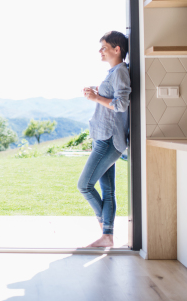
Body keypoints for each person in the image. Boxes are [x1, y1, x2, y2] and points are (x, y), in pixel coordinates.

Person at [78, 31, 131, 248]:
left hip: (109, 139)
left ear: (116, 49)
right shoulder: (114, 72)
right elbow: (114, 97)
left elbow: (121, 104)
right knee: (107, 190)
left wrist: (96, 97)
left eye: (103, 47)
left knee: (84, 185)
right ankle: (107, 236)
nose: (100, 51)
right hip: (104, 136)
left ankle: (105, 228)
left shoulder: (120, 71)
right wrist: (98, 90)